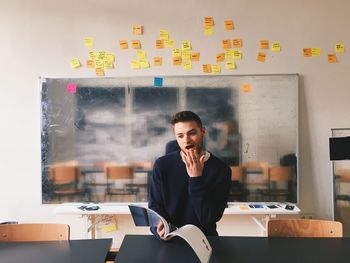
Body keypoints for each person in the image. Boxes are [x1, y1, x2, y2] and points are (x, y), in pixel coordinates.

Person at [148, 111, 231, 239]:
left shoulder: (221, 170)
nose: (186, 140)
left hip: (205, 240)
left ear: (202, 132)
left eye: (192, 133)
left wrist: (196, 178)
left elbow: (208, 219)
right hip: (171, 240)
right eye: (180, 136)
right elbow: (155, 206)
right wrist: (158, 227)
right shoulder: (162, 165)